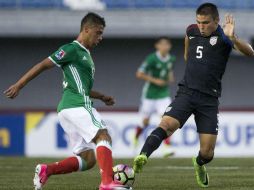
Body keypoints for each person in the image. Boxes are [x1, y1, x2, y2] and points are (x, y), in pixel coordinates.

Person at [4, 12, 131, 190]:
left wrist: (102, 96)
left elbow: (82, 88)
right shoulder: (72, 49)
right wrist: (19, 85)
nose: (100, 37)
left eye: (102, 33)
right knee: (103, 136)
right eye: (98, 32)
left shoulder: (85, 55)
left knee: (88, 159)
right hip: (77, 104)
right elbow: (43, 65)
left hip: (68, 108)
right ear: (86, 29)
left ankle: (46, 170)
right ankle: (107, 183)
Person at [133, 2, 254, 188]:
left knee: (207, 153)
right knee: (166, 124)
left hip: (209, 100)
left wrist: (234, 37)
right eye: (199, 22)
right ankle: (142, 156)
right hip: (186, 92)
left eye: (205, 22)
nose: (201, 26)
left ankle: (198, 164)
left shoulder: (225, 36)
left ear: (216, 21)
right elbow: (187, 51)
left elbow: (250, 52)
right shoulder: (191, 30)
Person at [134, 37, 176, 157]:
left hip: (163, 94)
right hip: (150, 95)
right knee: (145, 122)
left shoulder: (171, 59)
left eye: (167, 44)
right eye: (162, 44)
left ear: (169, 46)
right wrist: (155, 80)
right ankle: (136, 136)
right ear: (157, 46)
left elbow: (169, 71)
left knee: (167, 120)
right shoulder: (151, 58)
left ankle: (167, 147)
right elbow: (139, 73)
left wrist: (170, 78)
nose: (164, 47)